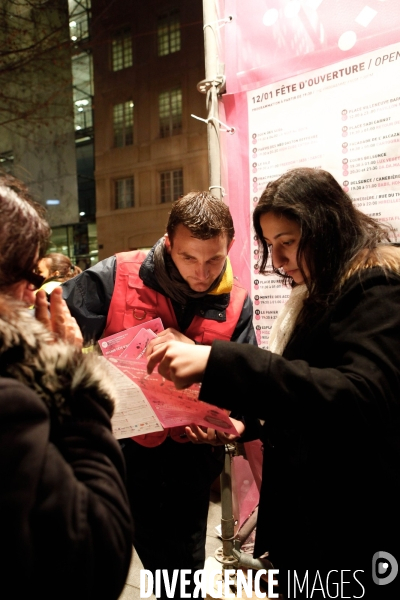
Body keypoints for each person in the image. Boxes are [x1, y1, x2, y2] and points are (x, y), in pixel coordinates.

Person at [147, 168, 400, 597]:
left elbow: (358, 396)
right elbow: (311, 394)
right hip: (314, 520)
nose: (278, 261)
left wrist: (217, 362)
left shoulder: (377, 288)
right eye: (270, 245)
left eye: (288, 243)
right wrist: (248, 426)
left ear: (328, 227)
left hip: (351, 523)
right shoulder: (324, 290)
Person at [62, 191, 257, 599]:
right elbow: (55, 327)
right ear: (169, 244)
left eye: (214, 259)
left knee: (179, 576)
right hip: (116, 453)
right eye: (189, 257)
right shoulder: (118, 273)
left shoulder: (237, 302)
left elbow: (246, 387)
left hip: (187, 463)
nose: (202, 273)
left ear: (230, 247)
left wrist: (226, 425)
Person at [0, 177, 133, 600]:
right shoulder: (11, 405)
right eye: (30, 272)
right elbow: (99, 557)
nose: (33, 291)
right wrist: (70, 375)